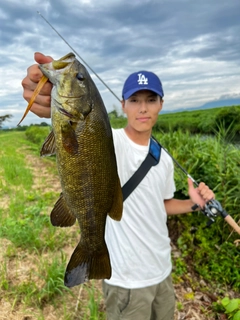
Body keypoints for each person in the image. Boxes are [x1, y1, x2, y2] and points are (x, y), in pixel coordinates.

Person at [22, 52, 215, 320]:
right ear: (123, 105)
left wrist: (197, 203)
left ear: (161, 104)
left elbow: (161, 206)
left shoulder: (163, 156)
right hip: (126, 281)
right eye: (135, 100)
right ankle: (93, 249)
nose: (143, 108)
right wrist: (45, 98)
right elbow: (67, 122)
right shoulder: (110, 139)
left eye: (151, 100)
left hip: (162, 273)